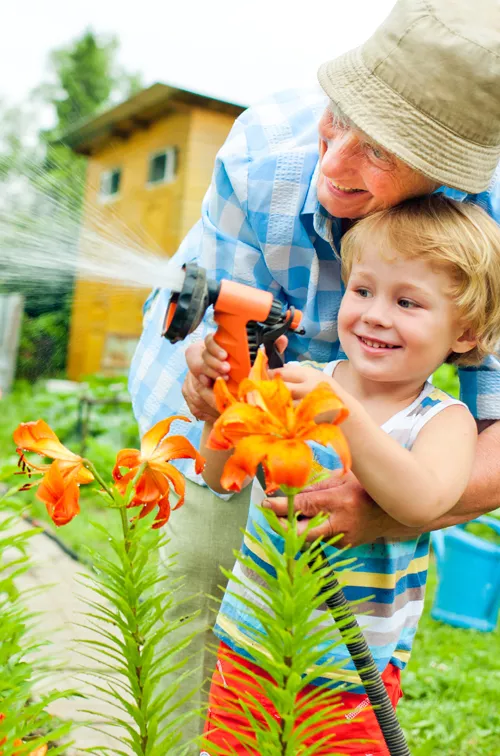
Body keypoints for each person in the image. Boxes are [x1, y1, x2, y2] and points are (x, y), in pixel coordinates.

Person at [128, 0, 500, 746]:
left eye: (384, 152)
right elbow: (212, 398)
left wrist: (388, 507)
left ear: (451, 177)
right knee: (190, 625)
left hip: (352, 643)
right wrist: (214, 384)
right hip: (247, 437)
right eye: (341, 118)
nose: (333, 165)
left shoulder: (490, 223)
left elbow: (471, 446)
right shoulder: (270, 147)